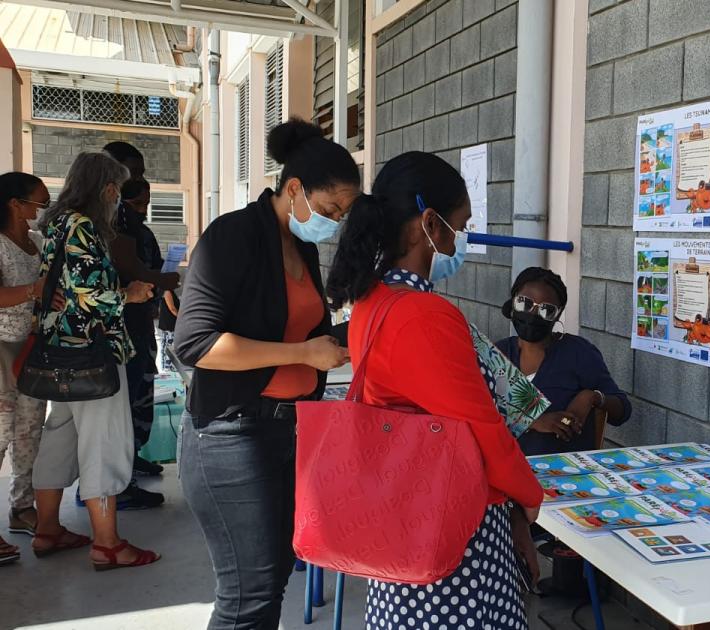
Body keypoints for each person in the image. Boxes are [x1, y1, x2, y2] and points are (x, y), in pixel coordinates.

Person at [325, 151, 542, 630]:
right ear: (430, 223)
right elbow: (479, 423)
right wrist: (529, 495)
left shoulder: (373, 300)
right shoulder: (423, 315)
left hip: (405, 512)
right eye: (458, 227)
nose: (458, 240)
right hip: (451, 528)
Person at [175, 118, 358, 630]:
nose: (334, 223)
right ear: (294, 188)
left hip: (285, 430)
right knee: (247, 595)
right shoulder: (234, 235)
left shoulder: (302, 247)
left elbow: (303, 327)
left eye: (342, 214)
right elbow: (195, 344)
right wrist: (302, 354)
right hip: (231, 436)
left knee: (273, 577)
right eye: (329, 210)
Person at [30, 152, 157, 569]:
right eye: (117, 190)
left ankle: (47, 529)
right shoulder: (84, 226)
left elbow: (59, 285)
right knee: (103, 441)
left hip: (57, 349)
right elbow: (89, 294)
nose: (118, 199)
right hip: (92, 351)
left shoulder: (56, 222)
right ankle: (107, 543)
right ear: (105, 188)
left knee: (60, 435)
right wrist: (130, 295)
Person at [105, 141, 179, 499]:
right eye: (133, 171)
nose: (139, 179)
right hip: (116, 324)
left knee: (140, 390)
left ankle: (131, 460)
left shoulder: (128, 217)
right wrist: (164, 280)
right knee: (121, 400)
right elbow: (128, 268)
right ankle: (117, 482)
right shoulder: (107, 216)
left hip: (138, 320)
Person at [495, 268, 631, 456]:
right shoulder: (498, 354)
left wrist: (593, 396)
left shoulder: (578, 353)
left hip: (566, 472)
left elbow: (622, 410)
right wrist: (534, 421)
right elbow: (475, 413)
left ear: (558, 315)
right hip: (505, 469)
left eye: (546, 310)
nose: (533, 313)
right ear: (512, 301)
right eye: (524, 303)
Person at [0, 172, 52, 566]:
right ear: (15, 204)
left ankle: (22, 506)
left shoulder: (36, 243)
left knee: (29, 430)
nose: (42, 210)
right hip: (1, 350)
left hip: (32, 349)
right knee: (0, 432)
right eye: (39, 202)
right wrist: (36, 290)